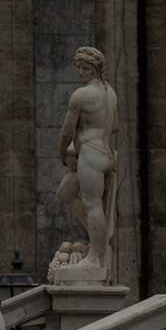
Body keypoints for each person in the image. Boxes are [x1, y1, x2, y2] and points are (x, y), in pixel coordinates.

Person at [53, 47, 119, 285]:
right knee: (65, 192)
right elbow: (114, 127)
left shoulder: (80, 96)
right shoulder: (110, 92)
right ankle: (98, 241)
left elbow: (66, 132)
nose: (81, 72)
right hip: (106, 153)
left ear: (97, 69)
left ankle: (95, 258)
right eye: (78, 67)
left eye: (86, 68)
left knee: (92, 205)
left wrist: (63, 153)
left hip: (91, 155)